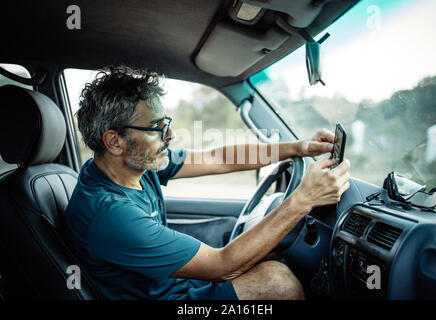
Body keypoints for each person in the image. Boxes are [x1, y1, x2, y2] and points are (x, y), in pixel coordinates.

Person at [64, 66, 351, 300]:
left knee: (273, 252)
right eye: (156, 128)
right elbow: (220, 266)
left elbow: (217, 158)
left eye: (167, 123)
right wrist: (303, 200)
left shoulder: (130, 165)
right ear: (114, 141)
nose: (169, 135)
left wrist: (298, 148)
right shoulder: (111, 214)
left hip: (175, 285)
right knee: (278, 283)